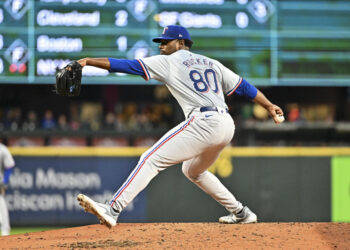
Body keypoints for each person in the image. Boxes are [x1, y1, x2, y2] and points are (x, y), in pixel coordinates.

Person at [76, 25, 284, 228]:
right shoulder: (212, 63)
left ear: (182, 43)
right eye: (160, 42)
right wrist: (269, 105)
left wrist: (88, 61)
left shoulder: (169, 62)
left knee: (150, 159)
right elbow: (243, 87)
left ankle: (112, 209)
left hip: (204, 122)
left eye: (166, 41)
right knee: (193, 171)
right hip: (226, 126)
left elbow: (127, 65)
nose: (161, 45)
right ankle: (242, 213)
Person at [0, 143, 15, 236]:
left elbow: (9, 166)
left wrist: (4, 182)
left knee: (1, 206)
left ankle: (5, 231)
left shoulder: (2, 149)